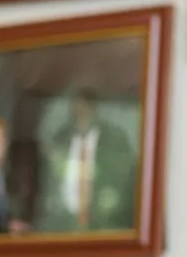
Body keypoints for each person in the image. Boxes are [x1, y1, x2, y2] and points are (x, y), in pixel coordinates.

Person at [38, 88, 137, 233]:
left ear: (95, 111)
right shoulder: (61, 140)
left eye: (85, 110)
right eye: (76, 111)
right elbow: (48, 188)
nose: (80, 115)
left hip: (103, 226)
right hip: (63, 226)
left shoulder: (115, 142)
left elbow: (124, 185)